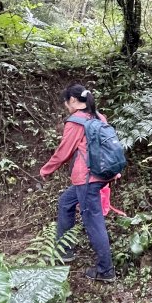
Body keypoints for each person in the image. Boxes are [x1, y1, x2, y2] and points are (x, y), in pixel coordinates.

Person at [39, 83, 115, 282]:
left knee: (93, 222)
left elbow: (63, 152)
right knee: (66, 202)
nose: (66, 107)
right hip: (100, 175)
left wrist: (45, 170)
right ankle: (64, 250)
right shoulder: (99, 117)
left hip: (87, 179)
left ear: (73, 100)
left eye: (66, 103)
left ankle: (105, 270)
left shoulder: (76, 122)